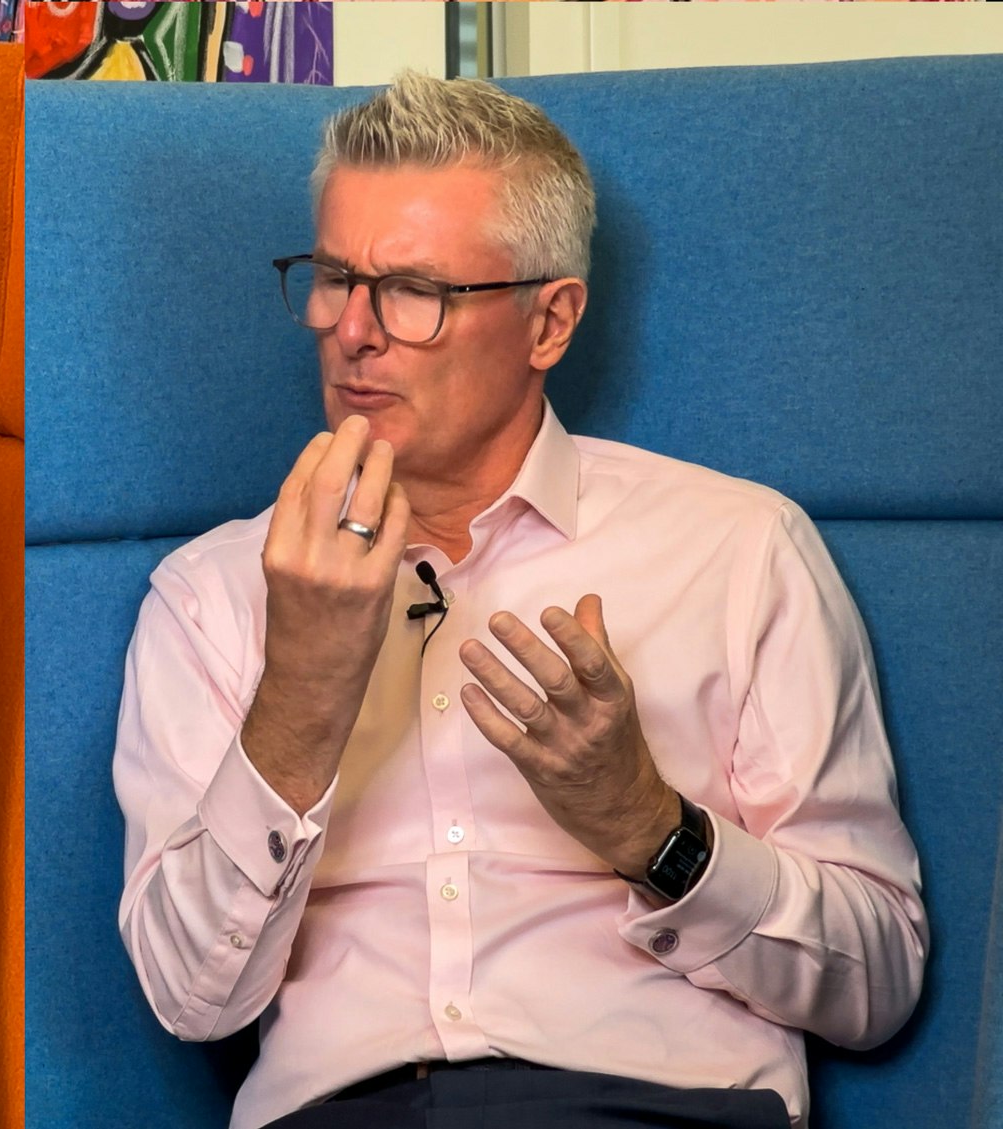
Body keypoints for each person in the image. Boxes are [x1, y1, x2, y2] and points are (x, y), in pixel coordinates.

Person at [112, 72, 924, 1129]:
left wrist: (647, 826)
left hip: (657, 1107)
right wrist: (301, 691)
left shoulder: (736, 551)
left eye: (411, 289)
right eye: (331, 276)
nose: (349, 329)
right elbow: (188, 998)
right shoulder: (211, 593)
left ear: (548, 322)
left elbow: (874, 979)